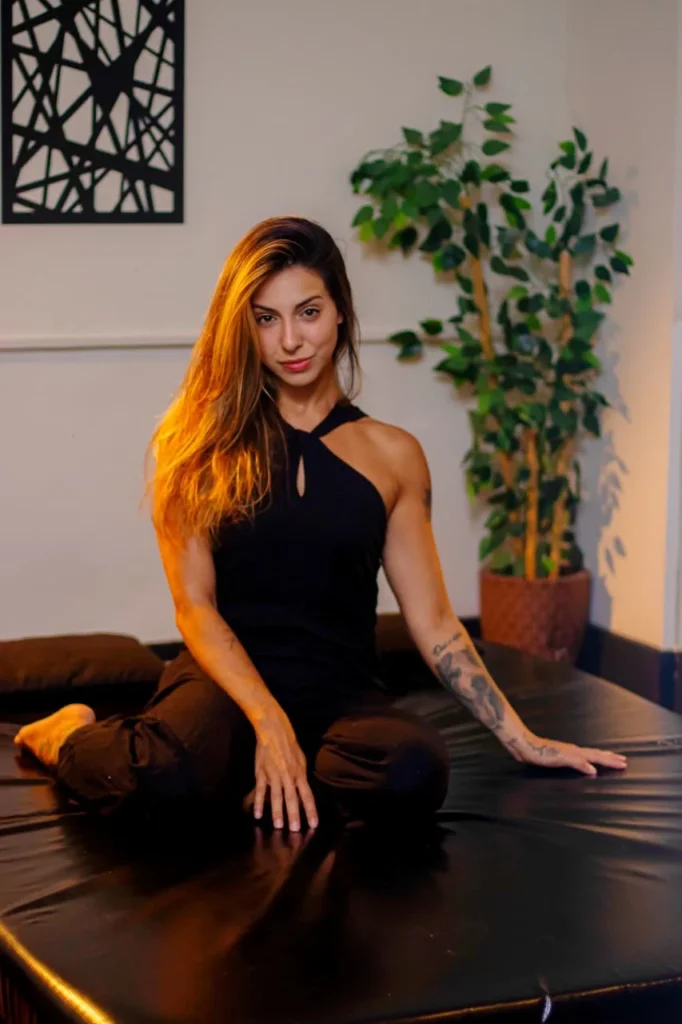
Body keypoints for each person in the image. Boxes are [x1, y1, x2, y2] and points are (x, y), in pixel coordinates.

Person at [14, 216, 627, 830]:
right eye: (266, 319)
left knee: (412, 770)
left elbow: (436, 622)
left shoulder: (394, 455)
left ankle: (266, 776)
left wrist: (521, 737)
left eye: (308, 312)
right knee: (160, 781)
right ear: (243, 328)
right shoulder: (197, 446)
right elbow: (194, 608)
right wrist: (268, 720)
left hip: (339, 692)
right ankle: (67, 734)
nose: (290, 340)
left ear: (340, 312)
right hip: (225, 688)